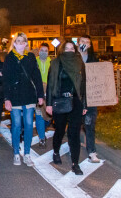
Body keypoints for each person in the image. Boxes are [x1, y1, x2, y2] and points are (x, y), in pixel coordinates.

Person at [46, 41, 87, 175]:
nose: (69, 50)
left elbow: (84, 84)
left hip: (76, 101)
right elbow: (51, 84)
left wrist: (84, 104)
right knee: (60, 130)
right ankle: (56, 151)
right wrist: (49, 104)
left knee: (74, 133)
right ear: (62, 50)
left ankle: (75, 163)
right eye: (67, 48)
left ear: (75, 50)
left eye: (72, 48)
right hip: (60, 101)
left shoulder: (80, 63)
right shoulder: (56, 63)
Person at [3, 32, 43, 167]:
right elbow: (6, 79)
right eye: (18, 41)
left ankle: (27, 154)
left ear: (26, 43)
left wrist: (40, 95)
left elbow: (37, 76)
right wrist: (7, 98)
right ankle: (15, 153)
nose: (20, 44)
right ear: (14, 43)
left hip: (29, 95)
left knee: (28, 125)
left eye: (23, 41)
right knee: (16, 125)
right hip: (14, 96)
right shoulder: (9, 58)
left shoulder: (31, 57)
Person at [78, 35, 100, 163]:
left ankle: (92, 151)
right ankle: (73, 146)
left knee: (90, 124)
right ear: (78, 43)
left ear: (90, 45)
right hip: (76, 96)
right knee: (75, 124)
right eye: (82, 42)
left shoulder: (94, 60)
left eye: (87, 42)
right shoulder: (73, 58)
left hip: (91, 96)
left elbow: (102, 78)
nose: (84, 44)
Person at [35, 43, 51, 148]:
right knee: (39, 114)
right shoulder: (34, 61)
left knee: (48, 117)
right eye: (42, 50)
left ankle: (43, 129)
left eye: (46, 51)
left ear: (48, 52)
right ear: (39, 51)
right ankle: (41, 138)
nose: (43, 52)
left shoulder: (52, 62)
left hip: (49, 91)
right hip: (37, 90)